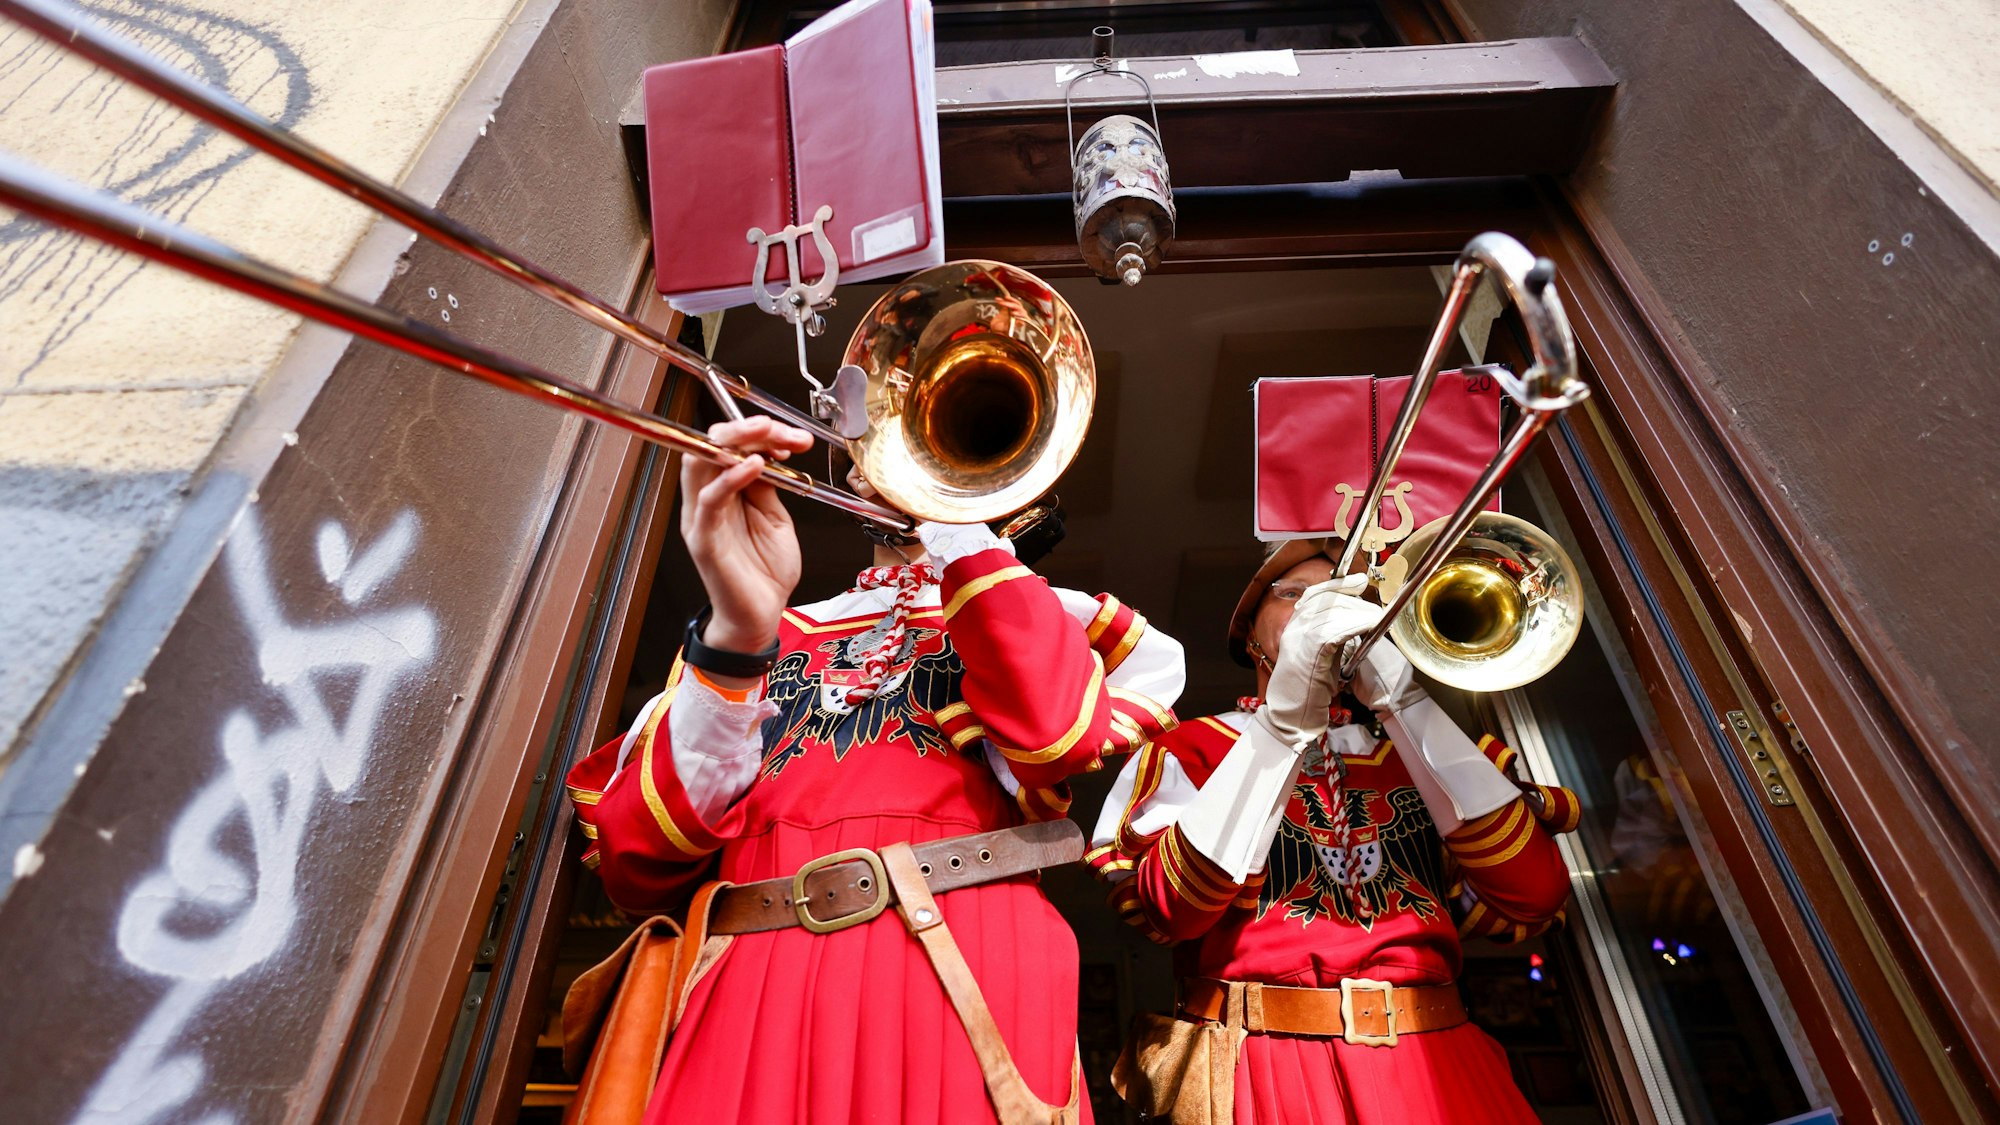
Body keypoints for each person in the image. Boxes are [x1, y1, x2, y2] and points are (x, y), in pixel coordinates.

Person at [566, 417, 1185, 1124]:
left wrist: (956, 525)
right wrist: (737, 635)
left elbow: (1056, 737)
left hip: (964, 961)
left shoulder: (1048, 616)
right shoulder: (765, 632)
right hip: (759, 969)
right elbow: (639, 866)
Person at [1089, 537, 1580, 1124]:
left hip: (1436, 1054)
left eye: (1345, 599)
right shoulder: (1193, 749)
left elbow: (1533, 894)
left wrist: (1404, 700)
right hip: (1268, 1061)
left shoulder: (1420, 749)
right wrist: (1282, 727)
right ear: (1249, 634)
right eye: (1294, 594)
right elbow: (1173, 912)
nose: (1322, 609)